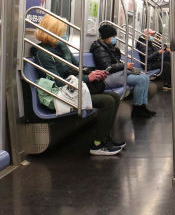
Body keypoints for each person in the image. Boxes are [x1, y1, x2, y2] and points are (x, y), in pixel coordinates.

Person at [33, 14, 125, 156]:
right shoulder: (43, 54)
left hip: (75, 89)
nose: (63, 35)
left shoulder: (61, 47)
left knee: (114, 96)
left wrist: (94, 73)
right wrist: (88, 79)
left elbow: (77, 67)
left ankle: (105, 138)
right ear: (51, 32)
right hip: (61, 94)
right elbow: (58, 82)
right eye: (61, 32)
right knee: (107, 101)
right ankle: (98, 145)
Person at [92, 23, 156, 118]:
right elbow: (107, 67)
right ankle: (137, 109)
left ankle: (142, 107)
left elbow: (115, 63)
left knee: (145, 78)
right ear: (106, 37)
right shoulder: (99, 48)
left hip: (115, 74)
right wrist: (124, 66)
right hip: (105, 77)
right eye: (112, 36)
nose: (114, 39)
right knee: (141, 80)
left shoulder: (109, 47)